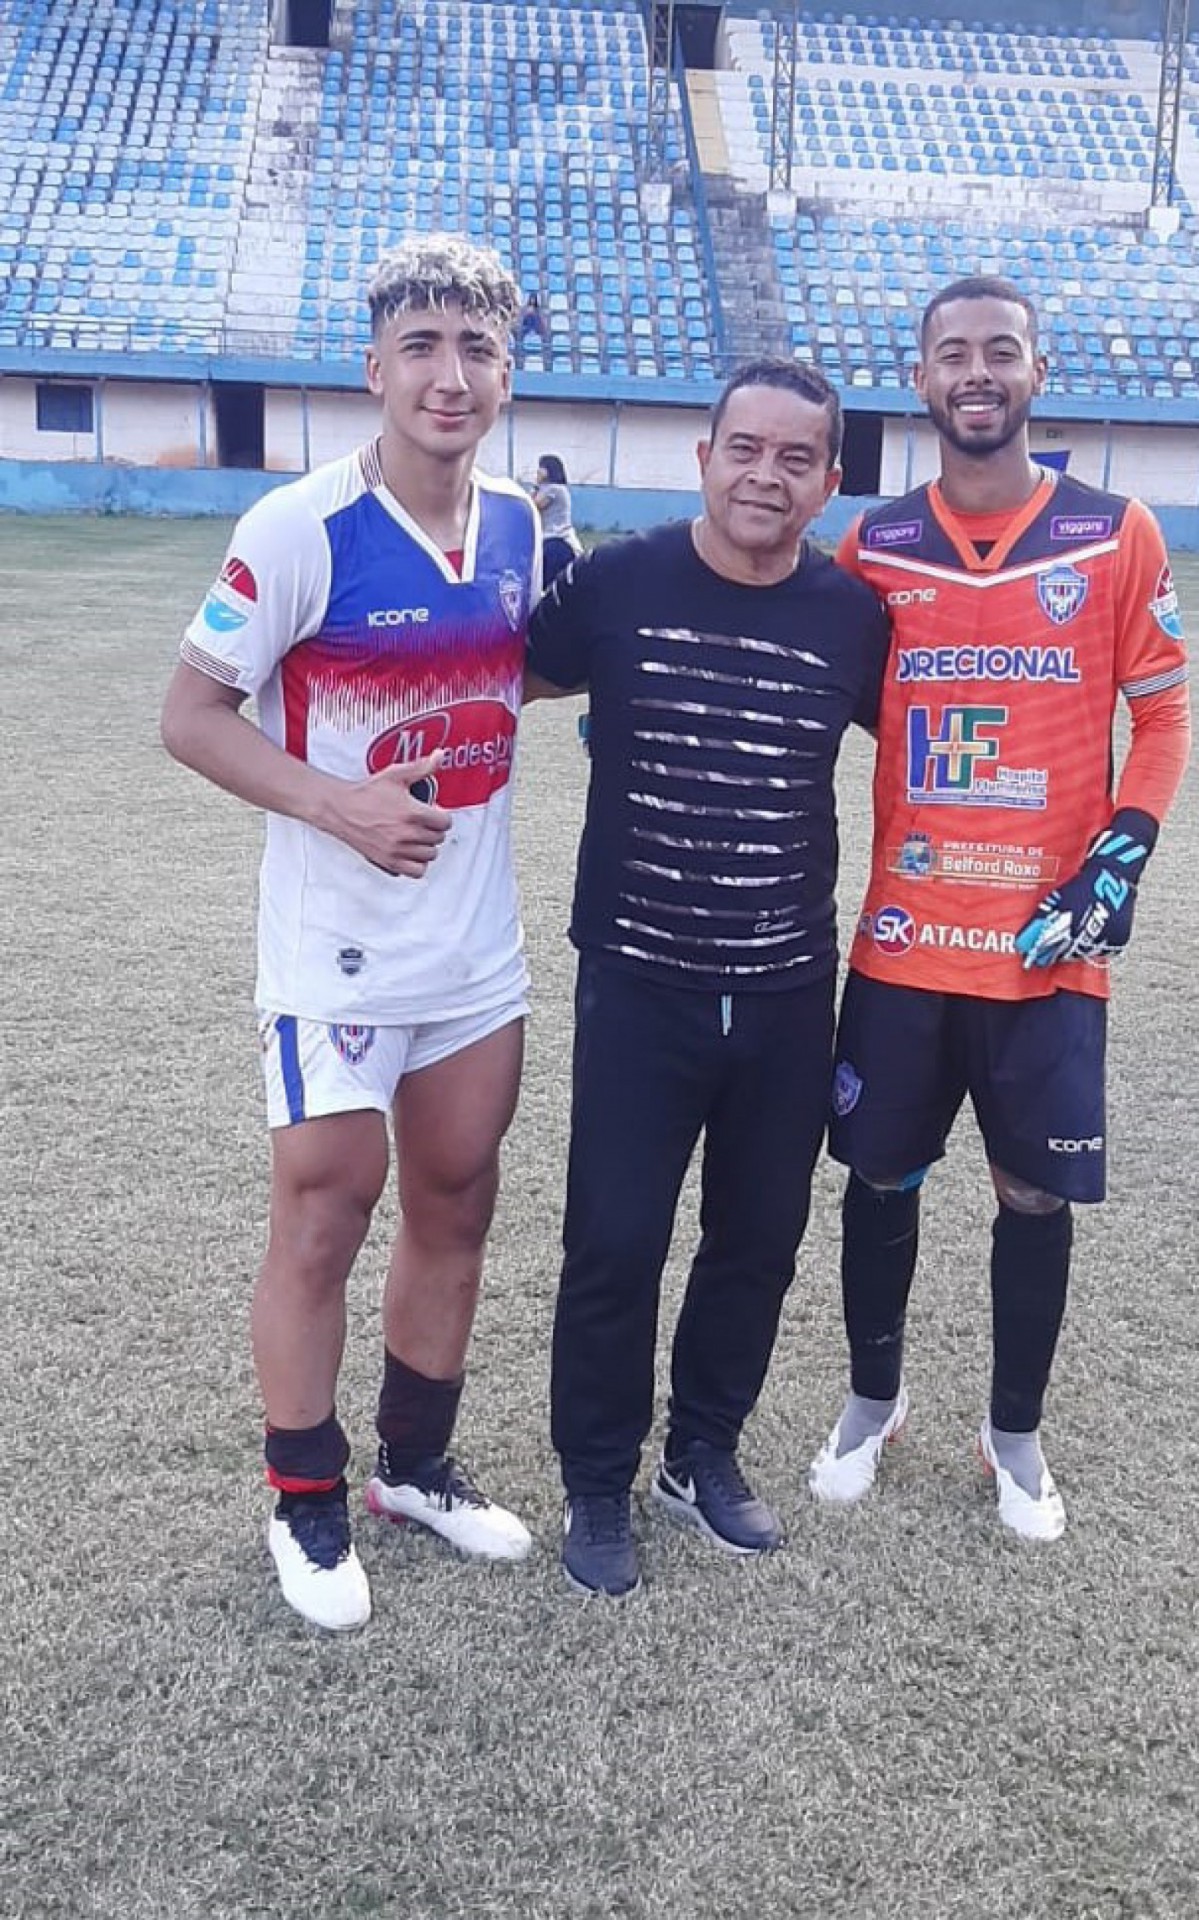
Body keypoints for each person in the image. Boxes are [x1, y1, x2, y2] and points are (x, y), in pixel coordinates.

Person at [160, 234, 542, 1631]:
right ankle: (306, 1504)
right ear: (373, 366)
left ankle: (416, 1470)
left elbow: (502, 672)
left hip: (474, 954)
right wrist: (342, 808)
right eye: (424, 347)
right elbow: (188, 715)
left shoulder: (517, 523)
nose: (451, 376)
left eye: (478, 350)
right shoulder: (294, 529)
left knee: (456, 1202)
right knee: (324, 1217)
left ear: (508, 373)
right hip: (333, 954)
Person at [808, 275, 1191, 1540]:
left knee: (1032, 1197)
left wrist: (1116, 857)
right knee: (878, 1180)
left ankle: (1011, 1434)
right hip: (906, 942)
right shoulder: (872, 546)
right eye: (951, 355)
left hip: (1042, 951)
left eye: (1000, 352)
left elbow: (1164, 708)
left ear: (1036, 371)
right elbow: (830, 686)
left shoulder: (1113, 531)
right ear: (918, 380)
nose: (976, 373)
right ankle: (872, 1402)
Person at [525, 358, 891, 1596]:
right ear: (704, 456)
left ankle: (701, 1455)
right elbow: (501, 679)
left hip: (788, 988)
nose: (764, 476)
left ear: (828, 484)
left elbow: (931, 741)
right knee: (614, 1242)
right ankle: (595, 1481)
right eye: (745, 448)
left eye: (796, 459)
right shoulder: (616, 583)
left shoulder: (850, 617)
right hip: (637, 981)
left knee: (758, 1238)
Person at [531, 453, 583, 588]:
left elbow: (534, 505)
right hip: (547, 538)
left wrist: (536, 484)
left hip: (557, 538)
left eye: (541, 467)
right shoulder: (547, 488)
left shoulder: (555, 489)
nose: (538, 471)